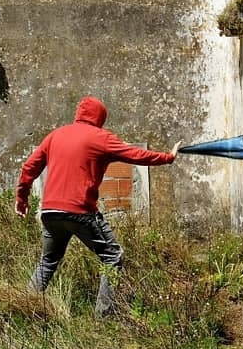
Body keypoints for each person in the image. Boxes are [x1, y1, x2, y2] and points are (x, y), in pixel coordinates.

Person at [15, 95, 180, 316]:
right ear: (100, 117)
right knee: (112, 256)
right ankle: (104, 317)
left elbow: (29, 167)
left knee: (48, 261)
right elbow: (135, 154)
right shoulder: (101, 137)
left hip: (50, 211)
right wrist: (167, 157)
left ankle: (24, 308)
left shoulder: (55, 135)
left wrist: (22, 199)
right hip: (79, 211)